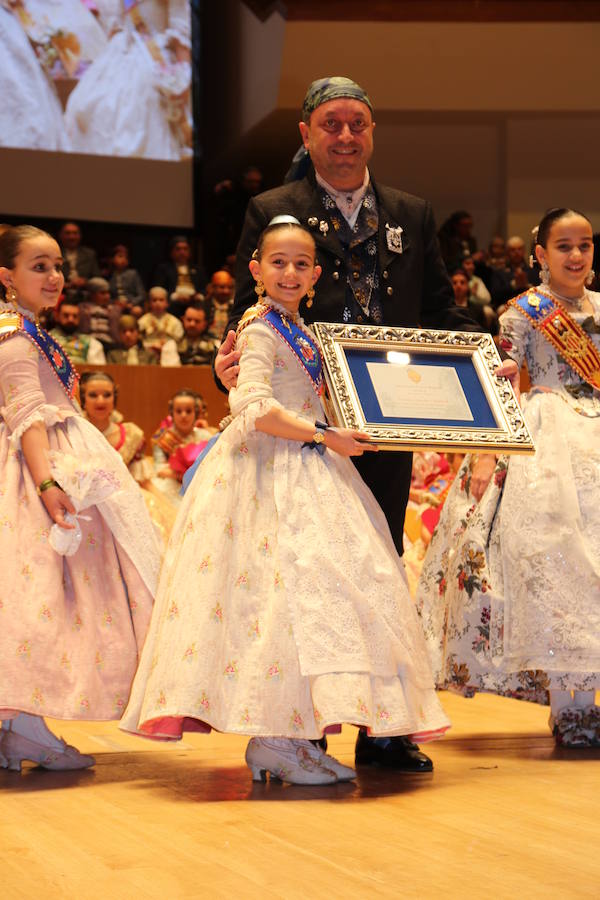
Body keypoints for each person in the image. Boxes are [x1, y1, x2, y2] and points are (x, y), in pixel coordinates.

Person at [214, 75, 499, 772]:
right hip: (306, 427)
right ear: (307, 134)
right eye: (331, 125)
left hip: (385, 420)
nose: (345, 137)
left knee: (379, 567)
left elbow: (438, 310)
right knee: (306, 573)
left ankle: (385, 725)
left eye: (358, 125)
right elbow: (247, 305)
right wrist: (227, 361)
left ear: (372, 134)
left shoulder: (411, 211)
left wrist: (489, 358)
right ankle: (303, 724)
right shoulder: (273, 207)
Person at [121, 218, 450, 784]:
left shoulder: (298, 326)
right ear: (255, 269)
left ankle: (294, 734)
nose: (290, 272)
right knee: (278, 599)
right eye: (278, 262)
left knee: (316, 597)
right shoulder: (259, 327)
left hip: (307, 466)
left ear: (317, 274)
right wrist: (327, 437)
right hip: (271, 473)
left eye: (301, 264)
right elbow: (252, 408)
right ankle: (275, 737)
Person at [417, 207, 600, 748]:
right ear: (539, 255)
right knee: (556, 558)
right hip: (548, 437)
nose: (576, 256)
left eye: (585, 245)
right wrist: (483, 450)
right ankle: (573, 704)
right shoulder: (523, 313)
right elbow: (501, 384)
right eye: (563, 246)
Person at [0, 225, 159, 771]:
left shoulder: (30, 331)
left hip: (53, 461)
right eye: (39, 266)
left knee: (34, 601)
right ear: (6, 277)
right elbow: (25, 416)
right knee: (38, 598)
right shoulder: (15, 336)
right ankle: (23, 726)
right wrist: (48, 486)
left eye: (58, 266)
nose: (54, 276)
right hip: (33, 471)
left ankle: (18, 727)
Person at [151, 389, 215, 503]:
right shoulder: (162, 438)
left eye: (188, 411)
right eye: (179, 411)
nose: (183, 415)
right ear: (172, 413)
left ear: (196, 413)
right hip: (171, 486)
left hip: (199, 485)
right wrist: (181, 476)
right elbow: (159, 469)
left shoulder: (206, 436)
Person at [153, 236, 205, 317]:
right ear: (171, 252)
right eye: (178, 249)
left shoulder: (198, 269)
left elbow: (204, 288)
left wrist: (199, 296)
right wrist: (175, 297)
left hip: (194, 303)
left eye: (185, 249)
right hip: (172, 304)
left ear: (190, 252)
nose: (182, 252)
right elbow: (159, 289)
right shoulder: (164, 269)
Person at [49, 298, 107, 365]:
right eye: (66, 315)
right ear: (56, 316)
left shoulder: (91, 343)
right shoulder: (46, 339)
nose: (71, 319)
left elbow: (97, 370)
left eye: (75, 316)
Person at [107, 314, 176, 366]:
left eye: (131, 330)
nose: (128, 335)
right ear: (119, 334)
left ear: (138, 333)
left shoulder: (149, 355)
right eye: (124, 331)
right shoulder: (112, 355)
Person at [137, 286, 183, 364]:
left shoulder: (175, 322)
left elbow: (179, 342)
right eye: (154, 300)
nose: (158, 303)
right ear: (149, 303)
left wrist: (164, 348)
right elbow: (139, 342)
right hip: (148, 355)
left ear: (167, 303)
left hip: (169, 356)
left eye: (161, 300)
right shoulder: (142, 321)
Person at [489, 236, 537, 310]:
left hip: (531, 303)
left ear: (524, 251)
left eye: (519, 249)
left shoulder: (532, 271)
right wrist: (513, 285)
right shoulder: (500, 272)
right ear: (507, 252)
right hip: (507, 304)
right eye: (513, 250)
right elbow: (495, 294)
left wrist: (527, 285)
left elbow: (540, 289)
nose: (516, 252)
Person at [78, 276, 122, 352]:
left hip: (109, 343)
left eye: (108, 293)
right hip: (88, 342)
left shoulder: (114, 309)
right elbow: (83, 330)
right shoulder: (83, 307)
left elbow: (115, 333)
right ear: (93, 294)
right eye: (103, 293)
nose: (107, 296)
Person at [58, 222, 101, 301]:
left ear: (80, 236)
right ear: (61, 235)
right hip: (60, 293)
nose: (72, 237)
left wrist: (85, 282)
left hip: (85, 294)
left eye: (75, 233)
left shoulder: (89, 254)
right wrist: (66, 285)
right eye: (68, 233)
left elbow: (97, 278)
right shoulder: (55, 253)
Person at [108, 244, 146, 311]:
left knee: (137, 310)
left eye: (126, 257)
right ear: (112, 259)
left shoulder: (133, 274)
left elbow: (141, 294)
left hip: (130, 304)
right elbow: (106, 295)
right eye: (120, 256)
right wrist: (114, 302)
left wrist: (131, 303)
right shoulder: (109, 275)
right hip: (115, 305)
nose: (123, 260)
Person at [206, 270, 235, 341]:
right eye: (222, 287)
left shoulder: (236, 307)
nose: (226, 291)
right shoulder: (203, 307)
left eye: (229, 287)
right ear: (212, 287)